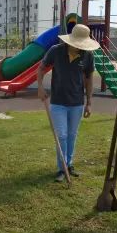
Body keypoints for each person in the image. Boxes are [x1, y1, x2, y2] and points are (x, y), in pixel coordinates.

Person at [37, 24, 100, 182]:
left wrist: (89, 102)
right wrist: (39, 87)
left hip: (77, 103)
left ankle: (69, 164)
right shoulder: (56, 51)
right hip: (58, 102)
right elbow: (41, 68)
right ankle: (61, 168)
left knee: (72, 135)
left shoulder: (88, 56)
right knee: (62, 136)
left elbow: (89, 79)